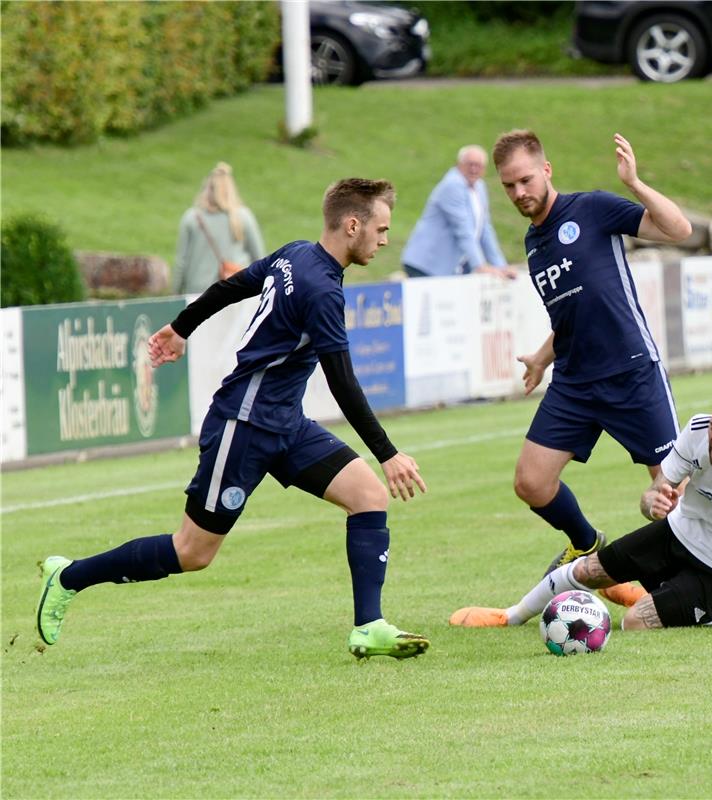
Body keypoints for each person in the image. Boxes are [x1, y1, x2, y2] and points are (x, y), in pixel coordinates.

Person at [37, 178, 431, 661]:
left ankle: (369, 626)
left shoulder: (294, 255)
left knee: (367, 496)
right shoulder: (321, 289)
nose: (385, 240)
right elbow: (343, 382)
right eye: (382, 229)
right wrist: (388, 453)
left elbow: (232, 286)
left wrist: (181, 328)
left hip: (284, 423)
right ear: (353, 225)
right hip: (243, 426)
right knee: (192, 552)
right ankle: (69, 576)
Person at [449, 387, 712, 636]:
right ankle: (510, 617)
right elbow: (654, 493)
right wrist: (651, 502)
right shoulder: (699, 430)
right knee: (588, 569)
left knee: (637, 622)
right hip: (681, 534)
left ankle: (648, 600)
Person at [491, 129, 693, 574]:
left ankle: (692, 577)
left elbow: (680, 230)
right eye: (508, 185)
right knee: (531, 482)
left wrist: (635, 185)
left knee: (670, 489)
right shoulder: (532, 243)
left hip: (631, 372)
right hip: (574, 382)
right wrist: (544, 356)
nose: (519, 192)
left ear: (546, 170)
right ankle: (585, 543)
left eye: (525, 179)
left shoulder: (592, 209)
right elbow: (572, 310)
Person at [401, 145, 517, 280]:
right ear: (459, 164)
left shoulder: (479, 187)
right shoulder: (453, 185)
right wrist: (480, 265)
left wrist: (501, 266)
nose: (474, 169)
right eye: (470, 164)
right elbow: (463, 230)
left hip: (444, 267)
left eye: (478, 166)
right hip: (426, 263)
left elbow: (485, 230)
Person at [174, 162, 266, 294]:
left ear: (206, 188)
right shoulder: (243, 216)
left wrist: (175, 293)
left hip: (198, 293)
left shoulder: (192, 217)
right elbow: (259, 258)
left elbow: (181, 262)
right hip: (235, 291)